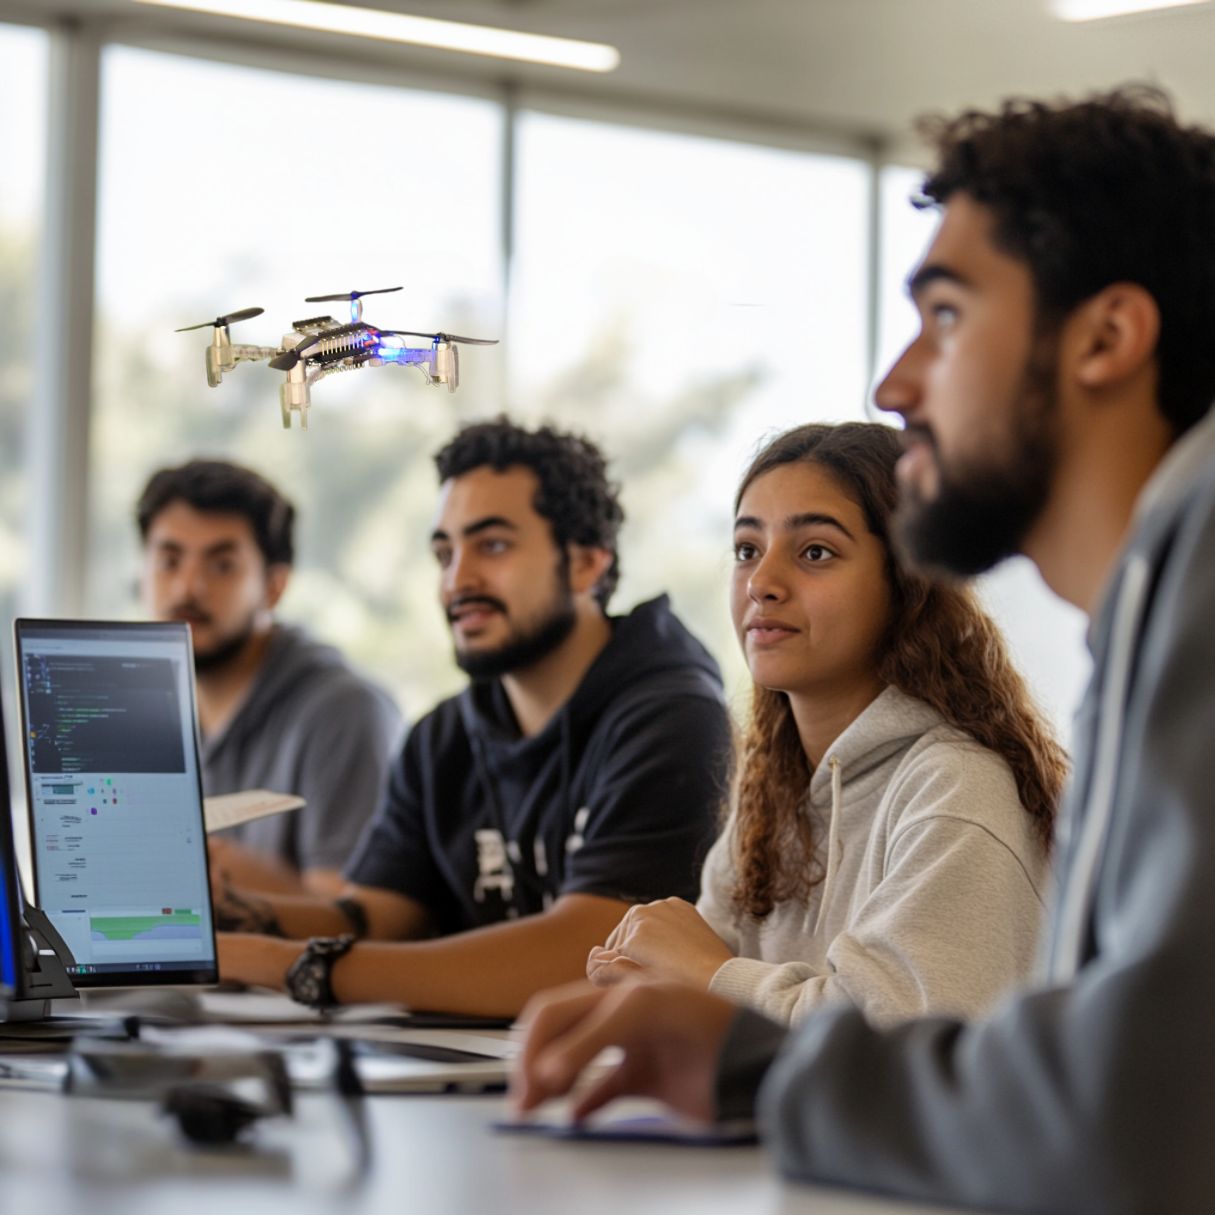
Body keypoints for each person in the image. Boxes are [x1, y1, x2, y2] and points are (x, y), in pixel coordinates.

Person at [513, 86, 1215, 1213]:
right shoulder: (1152, 604)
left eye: (945, 316)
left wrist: (742, 1048)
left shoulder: (1200, 579)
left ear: (1106, 337)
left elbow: (1129, 1115)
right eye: (747, 548)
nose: (898, 384)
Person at [217, 418, 733, 1017]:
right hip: (473, 1072)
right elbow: (376, 917)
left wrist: (286, 963)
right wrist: (223, 914)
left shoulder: (674, 718)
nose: (457, 580)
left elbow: (589, 952)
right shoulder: (443, 735)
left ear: (588, 563)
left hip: (623, 1081)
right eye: (444, 552)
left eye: (492, 545)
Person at [586, 422, 1065, 1027]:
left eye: (815, 552)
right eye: (746, 550)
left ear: (907, 581)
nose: (762, 583)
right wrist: (648, 990)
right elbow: (703, 995)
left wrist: (708, 977)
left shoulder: (957, 787)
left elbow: (904, 1044)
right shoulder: (773, 789)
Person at [138, 458, 402, 896]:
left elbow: (355, 921)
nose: (187, 588)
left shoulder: (344, 712)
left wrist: (208, 861)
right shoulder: (147, 708)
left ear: (274, 587)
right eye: (169, 560)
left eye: (221, 565)